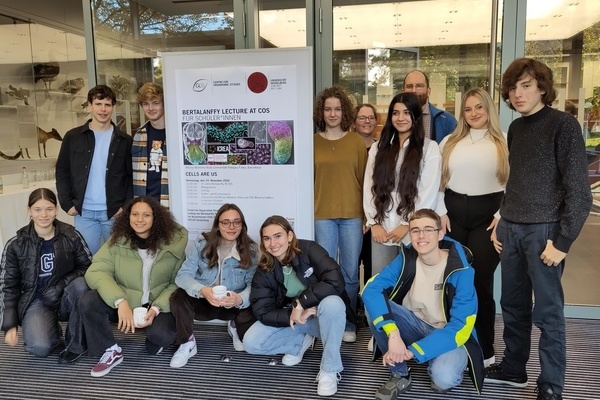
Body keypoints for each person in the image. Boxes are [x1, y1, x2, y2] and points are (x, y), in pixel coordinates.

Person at [485, 58, 592, 400]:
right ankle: (514, 368)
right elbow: (515, 182)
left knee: (547, 313)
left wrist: (563, 242)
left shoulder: (564, 125)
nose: (517, 94)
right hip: (512, 229)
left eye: (526, 86)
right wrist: (501, 220)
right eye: (513, 88)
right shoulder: (516, 128)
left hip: (545, 232)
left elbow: (580, 193)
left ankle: (551, 384)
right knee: (512, 306)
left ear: (543, 88)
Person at [362, 209, 484, 399]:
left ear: (440, 233)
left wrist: (411, 352)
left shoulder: (461, 270)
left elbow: (460, 327)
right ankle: (399, 374)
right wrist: (393, 334)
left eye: (428, 229)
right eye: (415, 230)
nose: (421, 236)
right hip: (413, 324)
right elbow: (371, 289)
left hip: (448, 333)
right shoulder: (406, 258)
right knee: (373, 306)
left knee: (443, 379)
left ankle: (430, 357)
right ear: (410, 235)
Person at [74, 196, 187, 377]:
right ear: (128, 217)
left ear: (156, 218)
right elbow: (96, 271)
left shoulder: (172, 244)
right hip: (125, 303)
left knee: (162, 337)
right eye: (135, 214)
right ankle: (110, 350)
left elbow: (178, 281)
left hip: (156, 305)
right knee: (88, 301)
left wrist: (156, 308)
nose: (139, 219)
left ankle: (154, 336)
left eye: (146, 215)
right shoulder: (117, 241)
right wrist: (120, 301)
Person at [438, 87, 509, 368]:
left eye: (479, 107)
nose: (473, 113)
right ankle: (454, 342)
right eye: (467, 109)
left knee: (480, 282)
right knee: (452, 281)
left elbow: (516, 183)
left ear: (489, 109)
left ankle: (485, 348)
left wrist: (502, 215)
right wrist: (441, 211)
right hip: (453, 216)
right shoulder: (449, 142)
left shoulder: (504, 140)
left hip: (487, 219)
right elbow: (436, 181)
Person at [243, 215, 349, 397]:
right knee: (251, 342)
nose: (272, 244)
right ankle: (298, 343)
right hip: (297, 318)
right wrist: (293, 315)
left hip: (324, 316)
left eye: (278, 236)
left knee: (333, 303)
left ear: (289, 236)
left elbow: (335, 280)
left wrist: (301, 303)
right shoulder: (264, 269)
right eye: (267, 238)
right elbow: (262, 311)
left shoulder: (309, 249)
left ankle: (329, 369)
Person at [0, 188, 92, 359]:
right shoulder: (16, 244)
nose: (44, 215)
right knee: (39, 347)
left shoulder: (71, 235)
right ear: (29, 211)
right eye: (37, 209)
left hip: (65, 295)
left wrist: (60, 285)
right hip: (36, 300)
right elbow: (8, 286)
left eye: (49, 209)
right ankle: (52, 332)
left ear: (56, 210)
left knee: (82, 285)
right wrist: (9, 324)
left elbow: (88, 267)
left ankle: (75, 343)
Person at [169, 203, 258, 368]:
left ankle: (235, 325)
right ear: (217, 225)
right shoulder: (202, 243)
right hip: (205, 302)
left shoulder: (251, 249)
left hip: (233, 306)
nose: (231, 227)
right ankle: (187, 342)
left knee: (255, 304)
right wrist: (202, 290)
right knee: (178, 297)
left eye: (236, 222)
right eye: (226, 222)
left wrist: (239, 299)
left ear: (242, 225)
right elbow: (183, 275)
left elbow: (253, 284)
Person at [363, 92, 442, 277]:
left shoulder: (429, 148)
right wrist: (374, 223)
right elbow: (369, 186)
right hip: (382, 229)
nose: (400, 118)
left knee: (412, 281)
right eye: (396, 113)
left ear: (416, 116)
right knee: (381, 281)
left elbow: (428, 191)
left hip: (413, 231)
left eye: (407, 113)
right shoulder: (378, 148)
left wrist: (407, 224)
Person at [313, 86, 367, 343]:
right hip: (321, 215)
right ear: (321, 112)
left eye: (337, 109)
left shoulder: (356, 142)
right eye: (328, 109)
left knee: (350, 274)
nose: (332, 114)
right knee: (325, 273)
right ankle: (326, 321)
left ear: (344, 112)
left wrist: (367, 216)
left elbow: (364, 181)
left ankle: (348, 322)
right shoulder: (312, 142)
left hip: (352, 216)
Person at [56, 85, 133, 255]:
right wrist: (67, 203)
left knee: (119, 259)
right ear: (90, 106)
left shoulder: (125, 140)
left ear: (113, 107)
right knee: (87, 260)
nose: (103, 109)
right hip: (84, 213)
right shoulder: (73, 137)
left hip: (115, 213)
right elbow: (62, 171)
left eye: (107, 105)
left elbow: (130, 177)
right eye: (98, 104)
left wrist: (125, 207)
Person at [133, 82, 169, 208]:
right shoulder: (139, 135)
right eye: (146, 104)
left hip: (169, 204)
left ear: (164, 104)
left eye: (155, 103)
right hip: (144, 205)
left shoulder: (175, 134)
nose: (151, 108)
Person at [354, 104, 378, 289]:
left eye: (371, 117)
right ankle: (352, 304)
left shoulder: (382, 148)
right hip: (353, 215)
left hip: (376, 217)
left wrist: (371, 216)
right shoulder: (347, 148)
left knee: (373, 266)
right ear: (354, 121)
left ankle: (368, 303)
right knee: (351, 267)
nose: (367, 121)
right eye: (362, 117)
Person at [403, 70, 457, 143]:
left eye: (419, 86)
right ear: (403, 91)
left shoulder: (447, 121)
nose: (414, 90)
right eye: (409, 86)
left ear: (428, 91)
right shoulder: (395, 120)